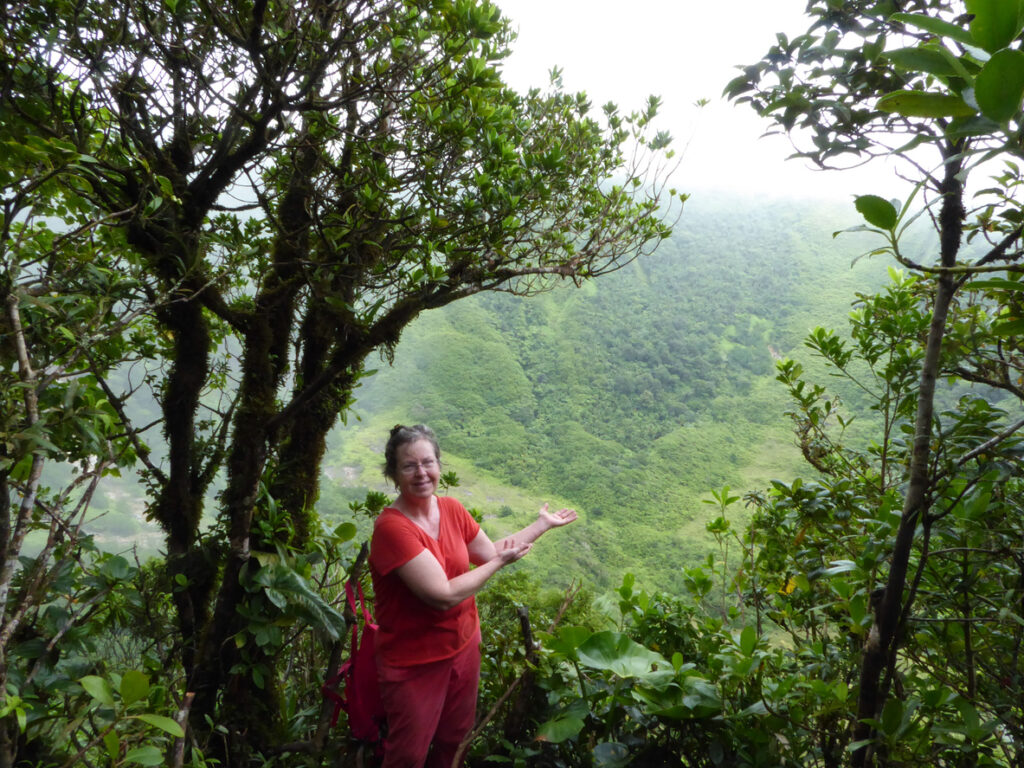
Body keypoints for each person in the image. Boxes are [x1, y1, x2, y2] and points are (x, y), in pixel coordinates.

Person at [369, 424, 577, 768]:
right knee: (409, 753)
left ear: (439, 464)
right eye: (409, 466)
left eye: (428, 462)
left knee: (454, 738)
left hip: (464, 647)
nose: (421, 473)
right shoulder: (393, 529)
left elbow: (489, 551)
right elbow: (442, 595)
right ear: (393, 473)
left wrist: (541, 525)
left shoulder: (451, 508)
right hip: (414, 663)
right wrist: (498, 563)